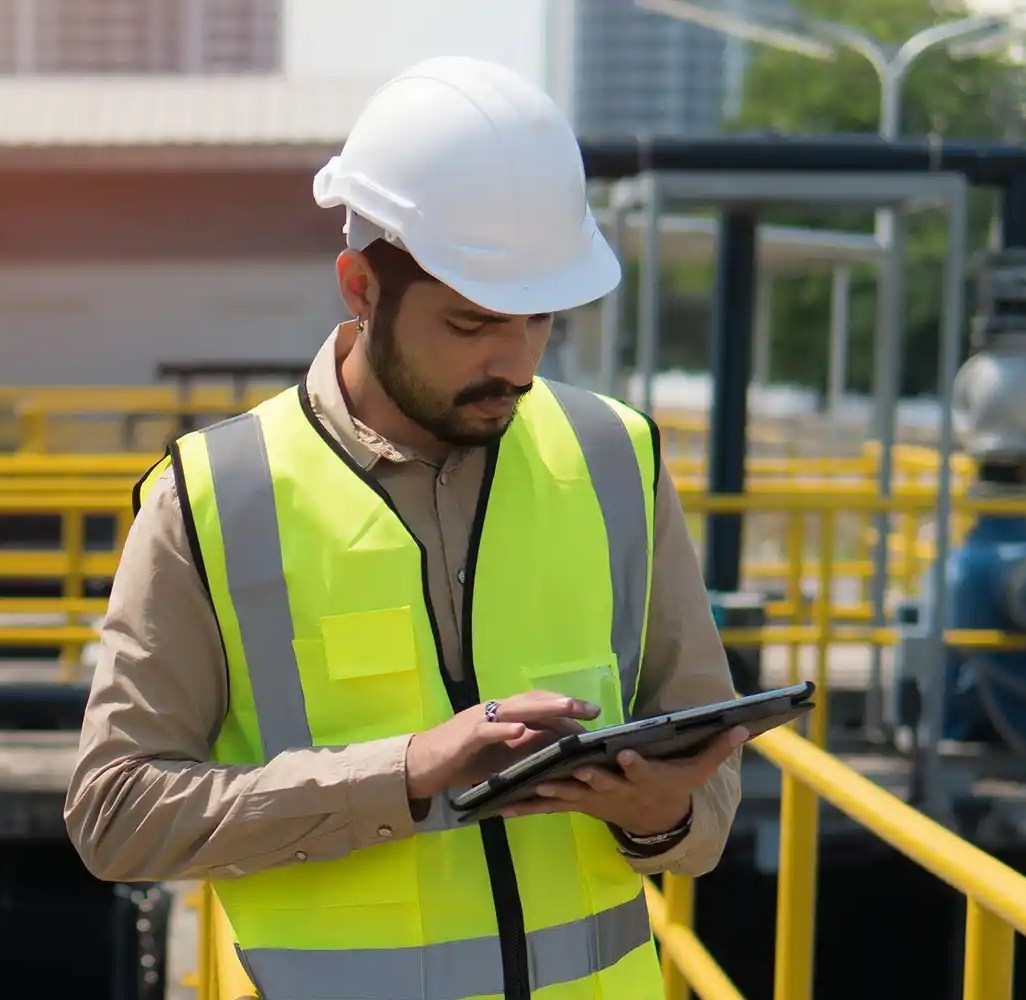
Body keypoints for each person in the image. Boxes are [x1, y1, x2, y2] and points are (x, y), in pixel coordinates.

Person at [65, 55, 744, 1000]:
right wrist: (403, 777)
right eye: (470, 325)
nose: (514, 361)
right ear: (360, 288)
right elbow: (116, 816)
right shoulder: (214, 498)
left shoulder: (613, 456)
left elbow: (707, 797)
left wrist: (664, 814)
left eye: (539, 319)